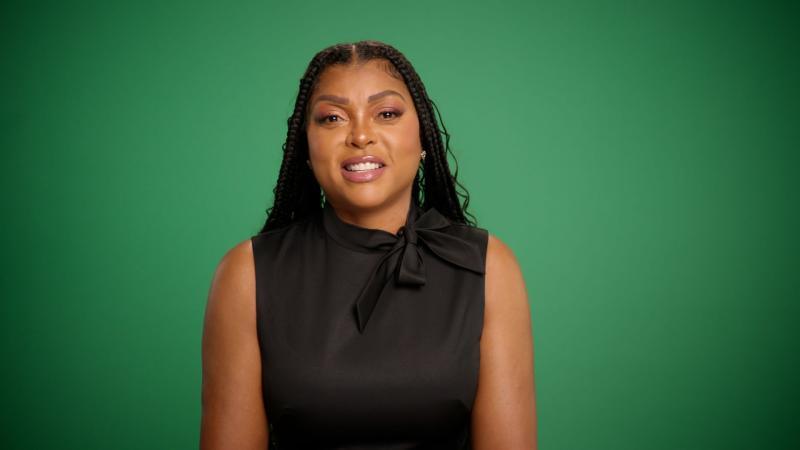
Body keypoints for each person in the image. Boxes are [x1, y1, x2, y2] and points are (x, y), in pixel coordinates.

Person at [200, 40, 536, 449]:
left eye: (387, 114)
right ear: (306, 146)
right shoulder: (247, 273)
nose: (360, 135)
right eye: (332, 118)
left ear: (424, 136)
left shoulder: (486, 266)